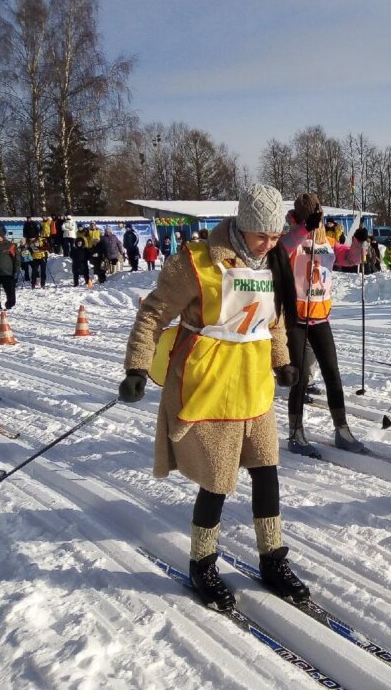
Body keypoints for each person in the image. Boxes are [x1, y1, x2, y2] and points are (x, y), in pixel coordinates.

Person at [119, 183, 309, 609]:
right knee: (218, 480)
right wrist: (136, 366)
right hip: (210, 386)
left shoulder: (271, 261)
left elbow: (271, 320)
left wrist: (281, 361)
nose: (272, 243)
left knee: (267, 470)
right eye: (264, 235)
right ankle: (202, 562)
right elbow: (153, 312)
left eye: (277, 235)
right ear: (242, 227)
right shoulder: (196, 261)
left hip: (254, 386)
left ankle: (271, 557)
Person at [281, 193, 369, 457]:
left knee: (333, 374)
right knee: (299, 378)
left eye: (318, 216)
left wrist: (359, 242)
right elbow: (283, 249)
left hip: (320, 317)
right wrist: (303, 229)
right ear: (299, 217)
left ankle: (341, 429)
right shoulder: (290, 239)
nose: (318, 222)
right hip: (295, 319)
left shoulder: (328, 241)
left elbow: (352, 258)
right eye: (312, 217)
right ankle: (295, 432)